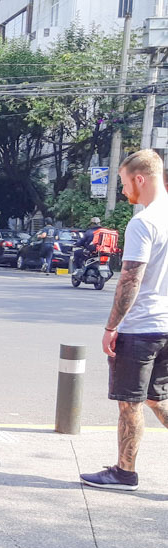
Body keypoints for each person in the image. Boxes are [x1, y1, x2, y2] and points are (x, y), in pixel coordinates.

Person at [80, 150, 168, 491]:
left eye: (123, 182)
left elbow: (130, 279)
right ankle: (123, 470)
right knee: (156, 399)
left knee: (130, 402)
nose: (122, 189)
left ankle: (124, 472)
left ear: (140, 179)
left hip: (142, 326)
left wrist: (111, 327)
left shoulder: (143, 222)